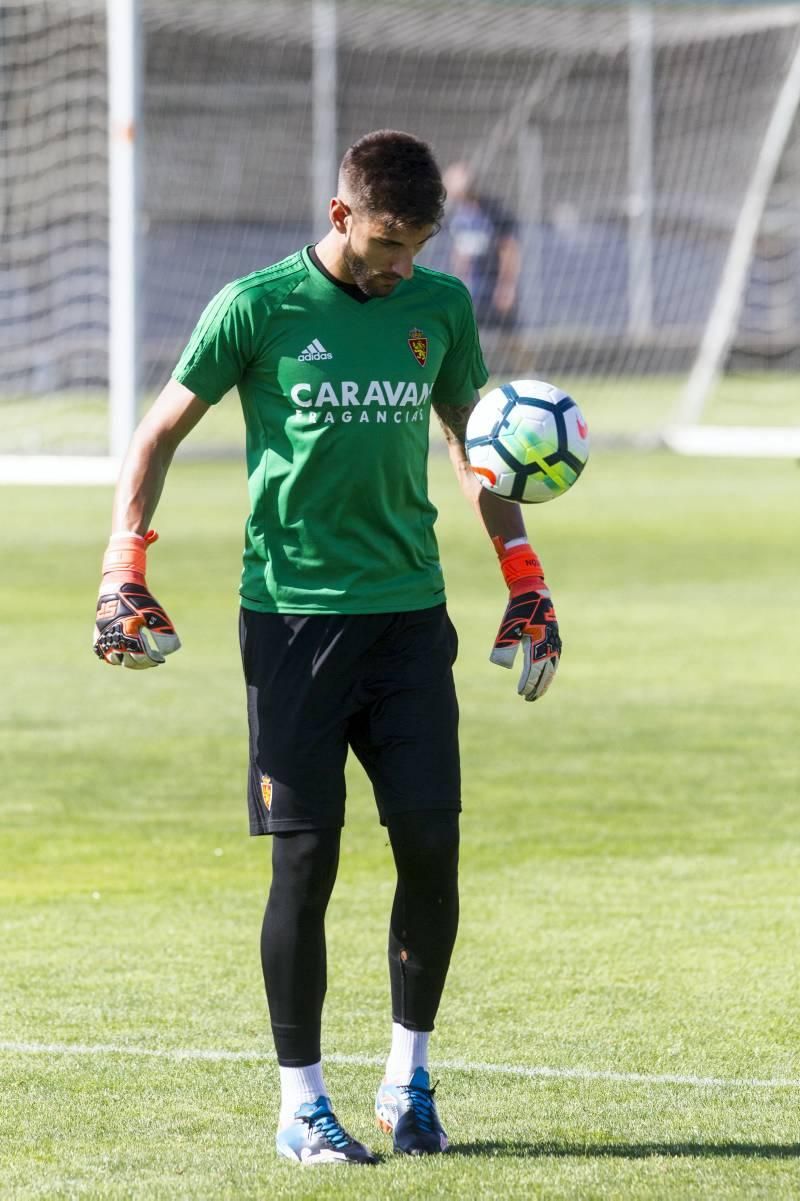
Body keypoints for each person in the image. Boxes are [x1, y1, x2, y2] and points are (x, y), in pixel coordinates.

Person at [93, 130, 561, 1166]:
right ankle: (299, 1104)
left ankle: (409, 1081)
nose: (405, 264)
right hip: (294, 622)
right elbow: (158, 431)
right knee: (305, 864)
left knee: (431, 848)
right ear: (342, 214)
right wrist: (123, 566)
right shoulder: (255, 306)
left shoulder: (436, 310)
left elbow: (470, 446)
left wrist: (524, 582)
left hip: (407, 618)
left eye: (420, 244)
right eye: (391, 242)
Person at [442, 160, 521, 330]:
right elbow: (459, 251)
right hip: (472, 290)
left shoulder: (493, 210)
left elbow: (508, 249)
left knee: (510, 340)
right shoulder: (457, 214)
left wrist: (506, 286)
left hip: (494, 288)